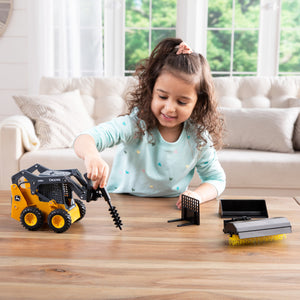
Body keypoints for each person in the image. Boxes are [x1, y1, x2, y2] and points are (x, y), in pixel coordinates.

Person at [73, 38, 226, 209]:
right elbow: (84, 138)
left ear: (198, 103)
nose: (169, 108)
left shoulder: (198, 136)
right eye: (162, 97)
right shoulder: (134, 124)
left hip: (170, 210)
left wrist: (197, 196)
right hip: (121, 206)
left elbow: (216, 179)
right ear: (151, 91)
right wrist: (92, 156)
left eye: (181, 102)